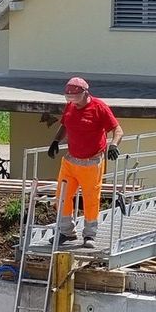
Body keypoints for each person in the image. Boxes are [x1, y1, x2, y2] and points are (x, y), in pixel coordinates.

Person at [47, 76, 121, 246]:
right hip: (70, 161)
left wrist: (113, 145)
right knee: (62, 197)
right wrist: (56, 141)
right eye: (69, 99)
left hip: (91, 162)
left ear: (85, 93)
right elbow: (65, 125)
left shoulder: (99, 107)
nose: (73, 102)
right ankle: (66, 232)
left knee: (90, 199)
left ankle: (89, 235)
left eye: (76, 98)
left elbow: (117, 130)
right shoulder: (70, 106)